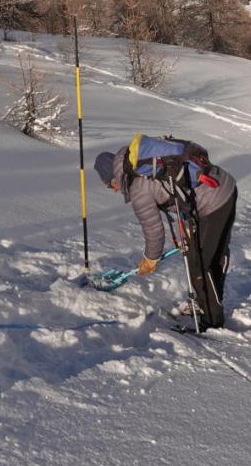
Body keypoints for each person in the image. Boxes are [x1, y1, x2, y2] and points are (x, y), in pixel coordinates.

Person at [93, 136, 237, 332]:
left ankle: (212, 322)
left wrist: (150, 259)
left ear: (112, 178)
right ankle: (206, 304)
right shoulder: (144, 163)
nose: (113, 190)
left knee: (199, 264)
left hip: (212, 202)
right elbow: (179, 189)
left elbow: (153, 230)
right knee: (210, 255)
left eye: (110, 186)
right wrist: (186, 227)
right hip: (223, 185)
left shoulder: (138, 186)